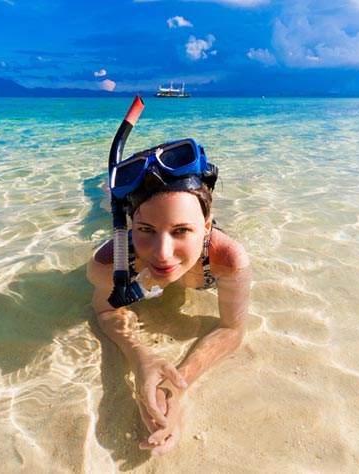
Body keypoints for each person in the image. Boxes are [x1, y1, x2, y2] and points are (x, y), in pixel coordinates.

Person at [87, 137, 251, 456]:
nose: (162, 255)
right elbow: (106, 312)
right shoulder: (109, 263)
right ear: (130, 227)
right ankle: (101, 192)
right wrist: (140, 358)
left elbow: (232, 328)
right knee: (97, 206)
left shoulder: (228, 259)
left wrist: (178, 385)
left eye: (181, 231)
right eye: (146, 230)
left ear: (205, 228)